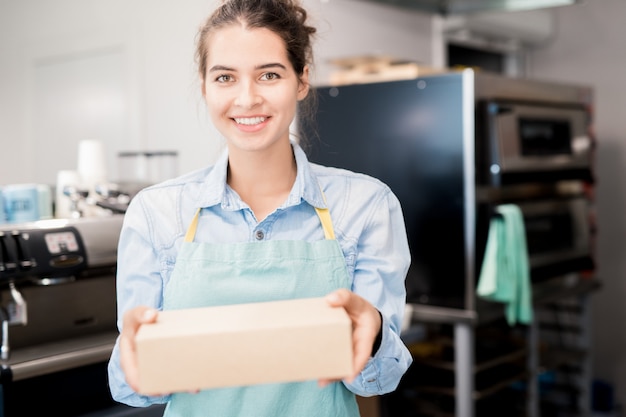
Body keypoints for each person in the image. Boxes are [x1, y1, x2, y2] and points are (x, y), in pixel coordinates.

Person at [107, 0, 413, 415]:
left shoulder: (365, 205)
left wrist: (373, 332)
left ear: (302, 79)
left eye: (269, 75)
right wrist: (137, 356)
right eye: (225, 77)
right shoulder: (156, 214)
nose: (247, 98)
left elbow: (381, 378)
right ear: (204, 86)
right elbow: (133, 389)